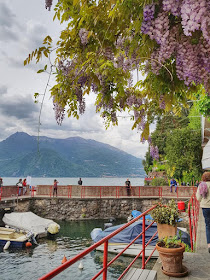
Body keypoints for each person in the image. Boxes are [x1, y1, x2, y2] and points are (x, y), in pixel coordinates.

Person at [196, 172, 210, 253]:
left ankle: (209, 245)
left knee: (208, 225)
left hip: (205, 207)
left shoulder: (202, 185)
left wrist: (203, 201)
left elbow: (198, 198)